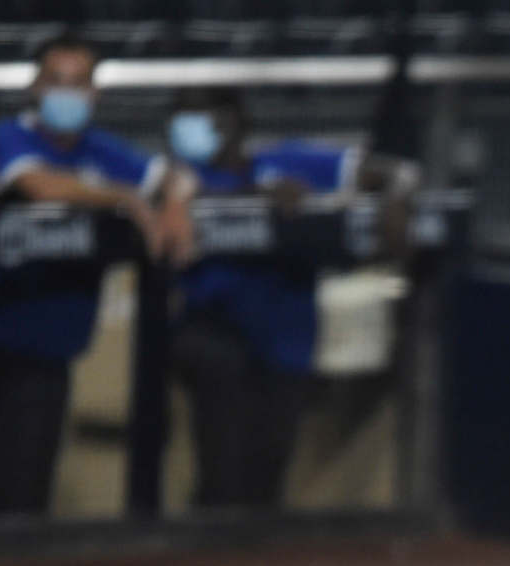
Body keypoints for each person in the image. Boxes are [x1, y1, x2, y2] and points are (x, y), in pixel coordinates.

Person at [0, 33, 194, 518]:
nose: (67, 93)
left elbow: (177, 176)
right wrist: (126, 198)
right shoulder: (8, 136)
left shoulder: (101, 149)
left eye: (79, 82)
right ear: (36, 87)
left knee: (30, 498)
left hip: (51, 356)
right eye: (56, 80)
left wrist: (172, 204)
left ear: (95, 92)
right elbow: (37, 184)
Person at [168, 87, 420, 508]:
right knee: (221, 471)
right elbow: (169, 200)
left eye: (209, 117)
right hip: (214, 335)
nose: (198, 128)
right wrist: (257, 197)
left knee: (269, 466)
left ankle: (258, 564)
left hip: (287, 338)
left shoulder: (286, 161)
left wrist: (394, 198)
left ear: (236, 123)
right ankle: (208, 556)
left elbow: (398, 172)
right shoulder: (181, 177)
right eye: (186, 116)